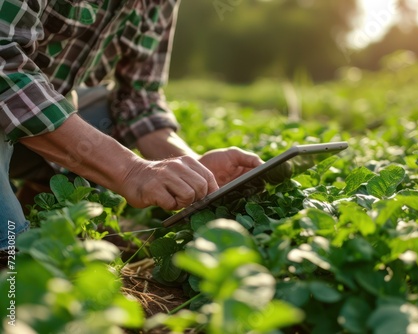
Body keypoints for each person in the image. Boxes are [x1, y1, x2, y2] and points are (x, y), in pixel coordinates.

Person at [0, 0, 263, 251]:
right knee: (10, 253)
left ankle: (41, 204)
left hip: (33, 119)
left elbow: (139, 99)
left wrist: (195, 167)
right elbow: (4, 66)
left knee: (105, 108)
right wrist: (130, 171)